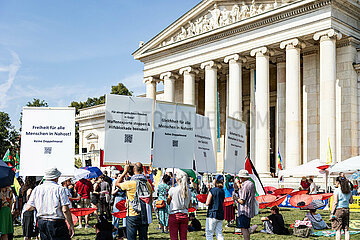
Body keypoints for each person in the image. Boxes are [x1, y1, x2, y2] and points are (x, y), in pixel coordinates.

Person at [25, 167, 74, 239]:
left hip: (42, 221)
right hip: (56, 222)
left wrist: (40, 205)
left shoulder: (37, 189)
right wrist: (71, 225)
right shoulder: (60, 189)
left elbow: (29, 207)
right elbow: (65, 210)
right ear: (56, 177)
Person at [115, 160, 153, 240]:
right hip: (144, 214)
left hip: (132, 213)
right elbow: (150, 199)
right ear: (142, 170)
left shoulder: (130, 183)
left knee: (131, 238)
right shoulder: (147, 184)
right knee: (143, 237)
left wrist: (125, 171)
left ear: (133, 170)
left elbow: (117, 184)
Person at [167, 170, 192, 240]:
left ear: (177, 179)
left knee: (174, 237)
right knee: (184, 237)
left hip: (174, 214)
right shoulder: (189, 191)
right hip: (184, 215)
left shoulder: (173, 190)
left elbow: (168, 202)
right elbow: (190, 205)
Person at [233, 169, 255, 240]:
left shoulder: (245, 186)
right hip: (249, 209)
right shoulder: (251, 183)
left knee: (243, 229)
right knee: (246, 228)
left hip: (244, 211)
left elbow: (242, 201)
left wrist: (236, 198)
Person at [205, 174, 225, 240]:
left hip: (212, 213)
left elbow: (207, 203)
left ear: (216, 181)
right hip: (220, 213)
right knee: (219, 233)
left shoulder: (212, 190)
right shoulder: (222, 191)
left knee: (209, 233)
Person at [111, 173, 126, 238]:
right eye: (119, 176)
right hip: (117, 199)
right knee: (116, 216)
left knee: (124, 216)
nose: (120, 177)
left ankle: (124, 232)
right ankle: (114, 232)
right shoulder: (115, 183)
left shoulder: (125, 183)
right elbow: (112, 193)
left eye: (121, 176)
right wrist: (117, 189)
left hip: (124, 199)